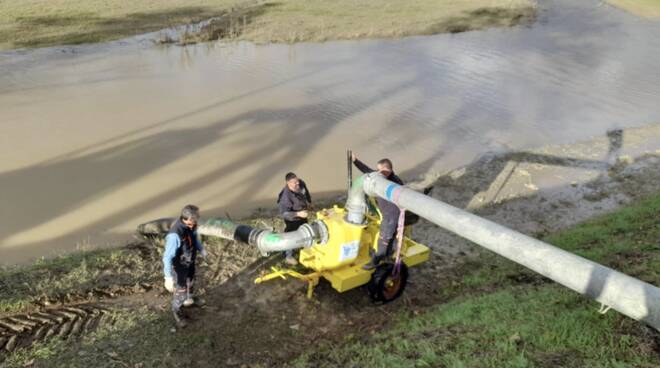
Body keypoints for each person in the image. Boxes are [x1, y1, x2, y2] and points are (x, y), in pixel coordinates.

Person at [351, 153, 404, 270]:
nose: (378, 172)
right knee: (391, 237)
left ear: (387, 170)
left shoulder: (395, 182)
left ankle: (376, 260)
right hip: (385, 213)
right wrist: (355, 161)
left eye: (380, 170)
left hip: (391, 215)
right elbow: (367, 171)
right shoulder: (381, 177)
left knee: (384, 238)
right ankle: (390, 253)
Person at [163, 204, 207, 328]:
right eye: (193, 220)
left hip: (189, 262)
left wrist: (201, 249)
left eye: (196, 219)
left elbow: (194, 238)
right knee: (180, 292)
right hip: (179, 268)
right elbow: (167, 257)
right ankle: (177, 311)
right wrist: (168, 277)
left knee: (191, 283)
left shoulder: (191, 226)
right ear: (186, 219)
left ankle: (190, 299)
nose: (195, 222)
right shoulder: (174, 235)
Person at [277, 172, 312, 265]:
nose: (297, 184)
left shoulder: (300, 183)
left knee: (305, 230)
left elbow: (306, 192)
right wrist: (298, 214)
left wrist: (309, 202)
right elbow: (284, 214)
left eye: (297, 181)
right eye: (294, 182)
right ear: (288, 183)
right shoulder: (285, 197)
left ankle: (304, 247)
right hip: (292, 218)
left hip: (302, 214)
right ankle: (288, 256)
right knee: (291, 236)